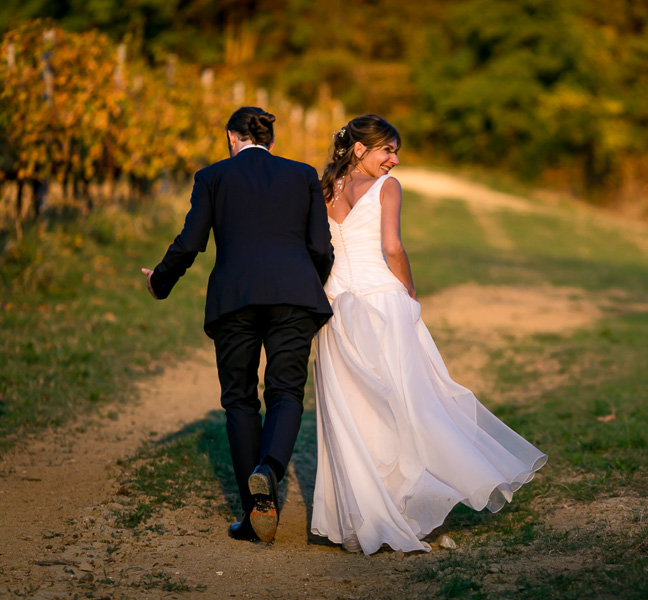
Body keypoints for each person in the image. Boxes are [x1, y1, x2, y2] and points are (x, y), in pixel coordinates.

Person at [311, 114, 547, 555]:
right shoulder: (387, 189)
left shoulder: (324, 191)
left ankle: (358, 517)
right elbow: (392, 247)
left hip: (335, 310)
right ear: (360, 149)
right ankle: (397, 507)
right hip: (382, 304)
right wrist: (411, 291)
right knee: (407, 404)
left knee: (352, 414)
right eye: (387, 150)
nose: (395, 161)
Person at [141, 106, 334, 543]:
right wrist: (307, 286)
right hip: (294, 297)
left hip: (235, 300)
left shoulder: (212, 177)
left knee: (240, 400)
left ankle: (254, 517)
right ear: (269, 140)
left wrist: (161, 280)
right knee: (285, 392)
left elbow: (191, 242)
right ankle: (270, 469)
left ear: (232, 137)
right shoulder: (302, 174)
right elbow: (319, 247)